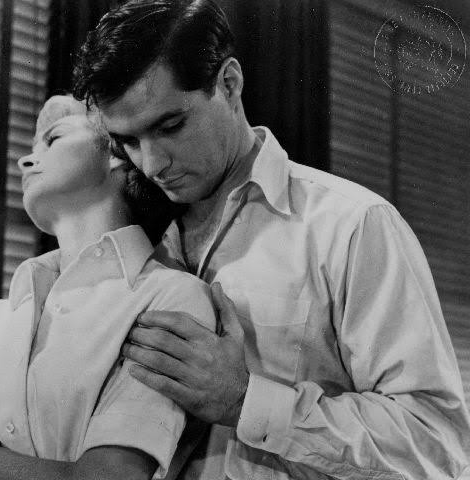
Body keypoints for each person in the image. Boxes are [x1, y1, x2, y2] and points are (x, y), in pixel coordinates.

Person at [71, 0, 470, 478]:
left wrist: (245, 401)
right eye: (129, 142)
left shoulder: (350, 226)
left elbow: (434, 444)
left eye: (170, 126)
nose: (152, 164)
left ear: (229, 82)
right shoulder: (139, 242)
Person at [0, 95, 218, 480]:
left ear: (119, 152)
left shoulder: (169, 298)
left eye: (53, 138)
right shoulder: (1, 315)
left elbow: (109, 478)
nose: (25, 161)